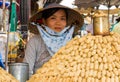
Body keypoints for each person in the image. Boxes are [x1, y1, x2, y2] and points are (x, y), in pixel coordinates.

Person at [23, 3, 83, 77]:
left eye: (62, 19)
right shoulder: (35, 42)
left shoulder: (72, 43)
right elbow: (26, 70)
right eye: (53, 18)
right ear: (44, 21)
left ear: (66, 22)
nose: (58, 23)